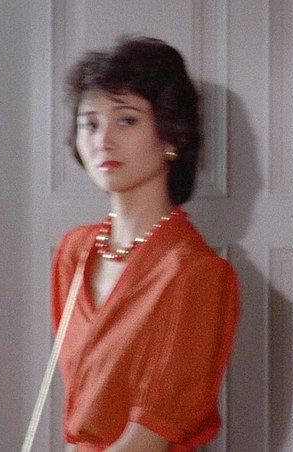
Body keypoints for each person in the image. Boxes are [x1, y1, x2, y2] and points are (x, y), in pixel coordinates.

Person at [51, 36, 239, 451]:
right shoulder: (73, 253)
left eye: (127, 120)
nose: (103, 140)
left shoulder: (197, 274)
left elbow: (147, 440)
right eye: (90, 123)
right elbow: (82, 411)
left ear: (172, 135)